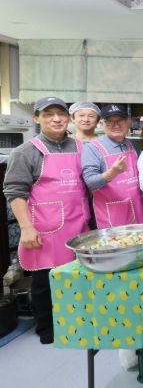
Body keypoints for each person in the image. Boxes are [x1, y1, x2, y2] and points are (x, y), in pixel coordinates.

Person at [3, 97, 90, 344]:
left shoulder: (81, 147)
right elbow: (14, 192)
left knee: (77, 276)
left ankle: (76, 321)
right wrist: (26, 228)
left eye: (61, 114)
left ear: (69, 118)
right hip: (45, 228)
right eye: (48, 114)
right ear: (37, 118)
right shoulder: (25, 152)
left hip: (79, 224)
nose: (56, 119)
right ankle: (47, 328)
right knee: (44, 281)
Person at [82, 104, 143, 227]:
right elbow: (90, 182)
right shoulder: (92, 148)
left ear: (128, 122)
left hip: (137, 208)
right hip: (112, 214)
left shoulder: (132, 145)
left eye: (120, 120)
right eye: (110, 121)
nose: (116, 125)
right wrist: (113, 172)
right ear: (102, 124)